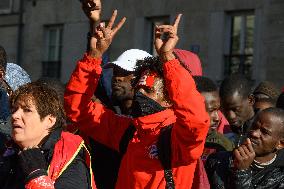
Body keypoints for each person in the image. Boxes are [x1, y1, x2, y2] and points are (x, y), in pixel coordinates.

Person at [64, 3, 209, 188]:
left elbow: (196, 120)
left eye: (148, 91)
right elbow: (78, 110)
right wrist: (94, 56)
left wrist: (167, 59)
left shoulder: (179, 138)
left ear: (168, 99)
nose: (140, 95)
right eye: (138, 89)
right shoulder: (130, 131)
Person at [1, 82, 95, 189]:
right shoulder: (6, 152)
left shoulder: (70, 162)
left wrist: (37, 177)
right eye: (14, 109)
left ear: (50, 121)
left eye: (27, 110)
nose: (15, 115)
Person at [194, 76, 234, 163]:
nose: (217, 118)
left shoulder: (223, 145)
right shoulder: (173, 140)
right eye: (211, 110)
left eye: (218, 110)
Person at [219, 74, 255, 146]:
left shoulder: (264, 132)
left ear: (250, 100)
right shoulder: (220, 132)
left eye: (235, 109)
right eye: (225, 109)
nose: (231, 116)